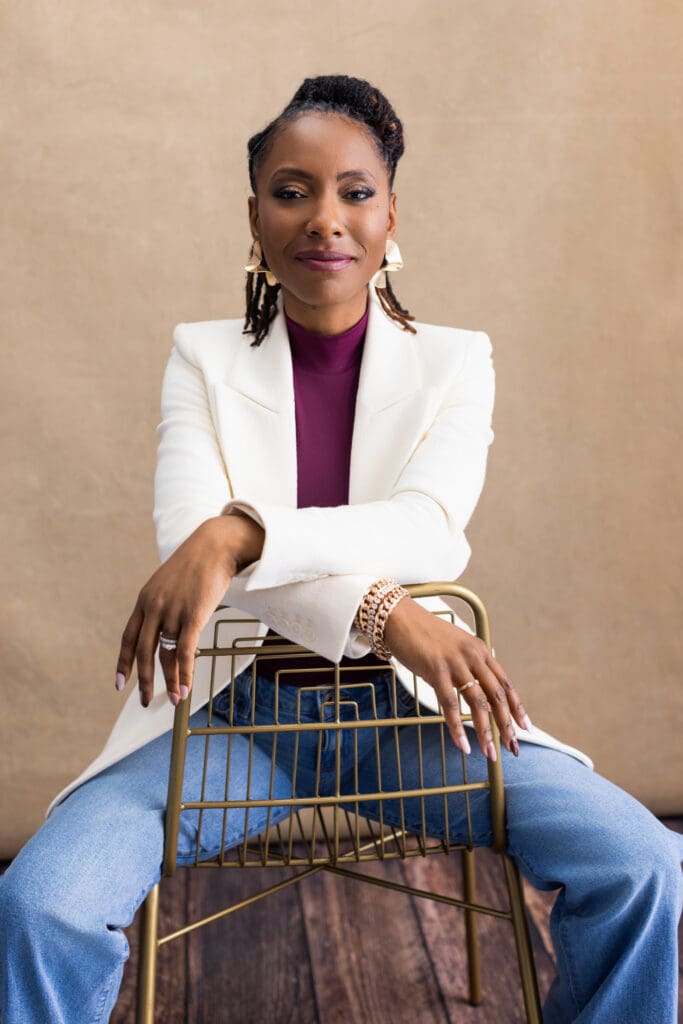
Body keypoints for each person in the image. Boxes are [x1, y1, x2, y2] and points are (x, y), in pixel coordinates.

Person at [0, 74, 680, 1024]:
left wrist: (241, 532)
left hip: (415, 718)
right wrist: (383, 610)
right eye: (292, 191)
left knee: (646, 865)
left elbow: (426, 527)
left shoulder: (456, 360)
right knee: (41, 903)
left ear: (390, 211)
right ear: (254, 214)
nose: (326, 220)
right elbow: (182, 544)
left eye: (354, 192)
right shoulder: (200, 357)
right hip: (234, 719)